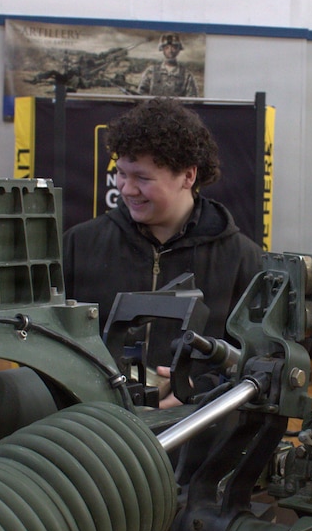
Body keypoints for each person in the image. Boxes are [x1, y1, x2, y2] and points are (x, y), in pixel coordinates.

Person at [62, 97, 263, 403]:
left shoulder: (243, 260)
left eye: (142, 178)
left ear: (188, 176)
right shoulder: (78, 245)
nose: (126, 188)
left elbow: (258, 360)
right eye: (122, 173)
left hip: (197, 425)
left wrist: (200, 390)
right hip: (94, 421)